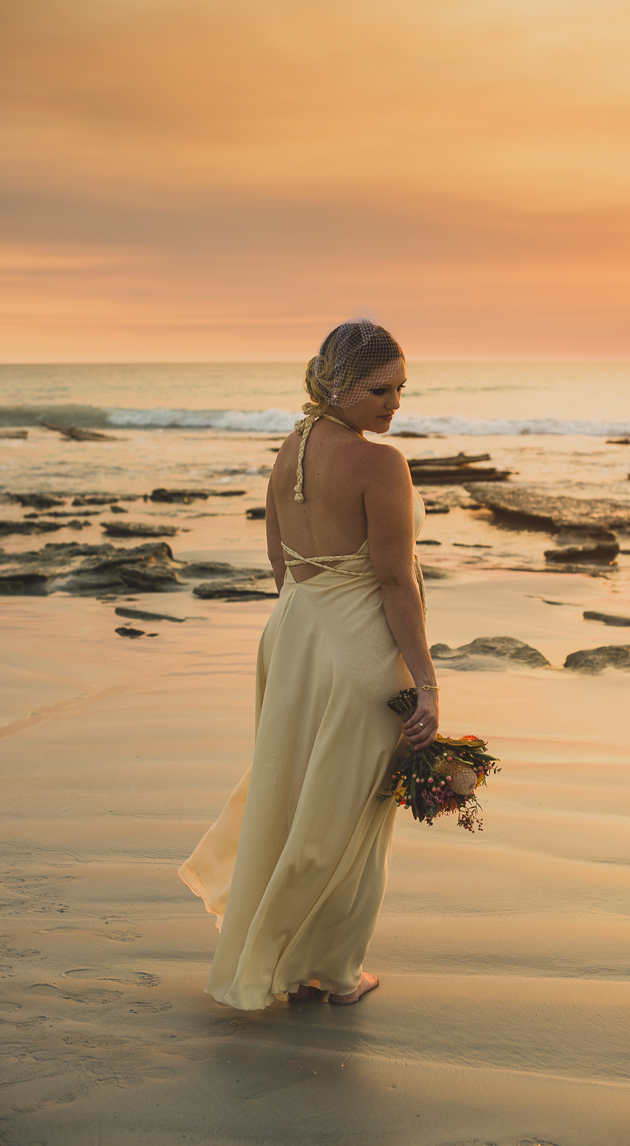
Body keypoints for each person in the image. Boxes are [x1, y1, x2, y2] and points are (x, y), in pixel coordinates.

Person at [178, 318, 438, 1009]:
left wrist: (302, 631)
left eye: (402, 390)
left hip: (292, 637)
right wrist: (427, 683)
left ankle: (290, 961)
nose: (394, 404)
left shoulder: (289, 448)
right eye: (380, 390)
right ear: (338, 384)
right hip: (357, 652)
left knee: (292, 799)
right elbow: (392, 584)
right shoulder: (381, 464)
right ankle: (334, 972)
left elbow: (277, 562)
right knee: (349, 820)